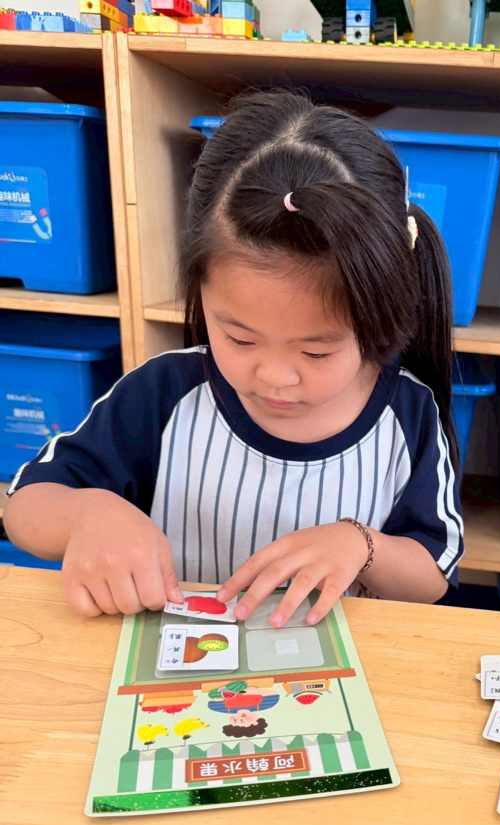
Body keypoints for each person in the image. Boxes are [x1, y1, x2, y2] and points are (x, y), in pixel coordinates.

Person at [4, 91, 463, 627]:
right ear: (200, 290)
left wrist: (363, 545)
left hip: (331, 666)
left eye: (317, 350)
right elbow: (25, 505)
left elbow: (433, 576)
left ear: (382, 311)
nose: (274, 376)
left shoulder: (407, 414)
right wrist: (87, 514)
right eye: (240, 339)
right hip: (172, 662)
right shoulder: (165, 393)